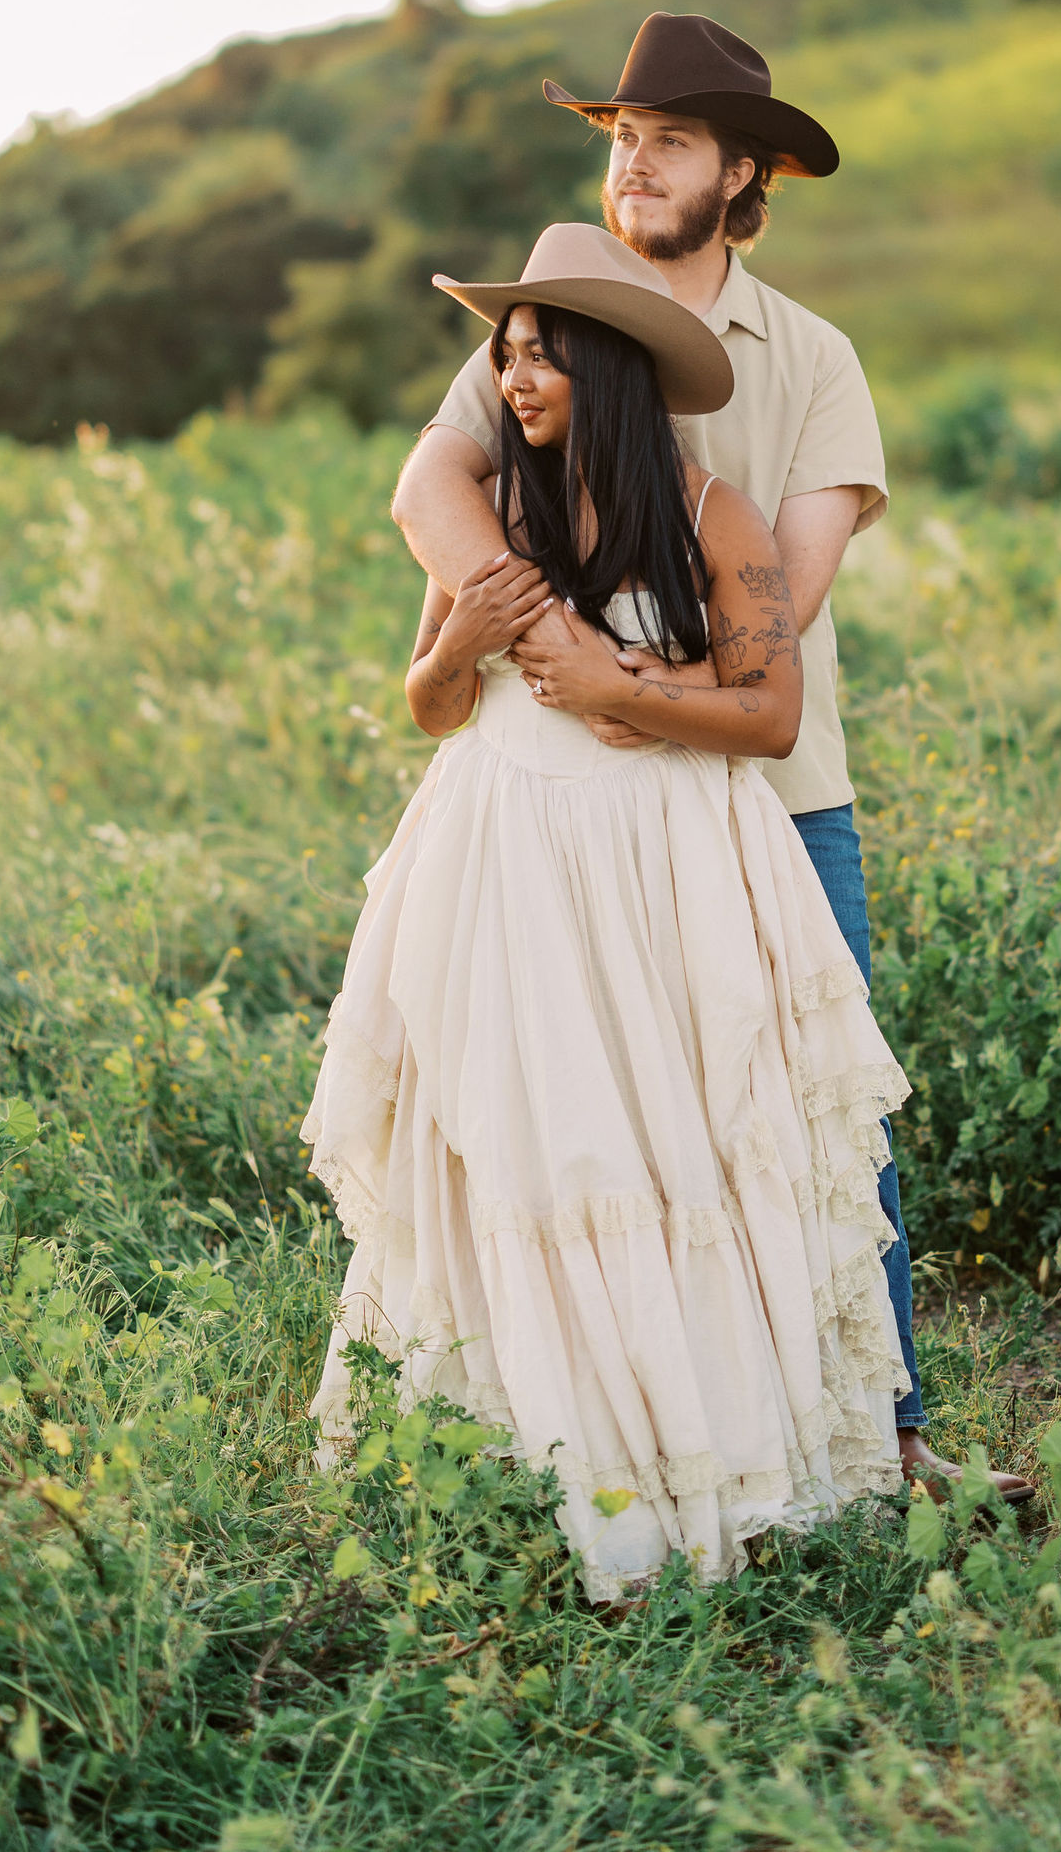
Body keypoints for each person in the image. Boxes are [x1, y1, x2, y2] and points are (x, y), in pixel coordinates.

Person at [391, 11, 1031, 1505]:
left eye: (670, 141)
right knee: (608, 1114)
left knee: (814, 1101)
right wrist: (545, 643)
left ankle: (887, 1435)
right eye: (623, 137)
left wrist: (623, 680)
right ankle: (637, 1435)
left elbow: (785, 600)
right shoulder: (548, 319)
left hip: (771, 792)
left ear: (742, 172)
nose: (635, 163)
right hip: (566, 810)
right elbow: (433, 490)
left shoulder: (812, 358)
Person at [302, 223, 915, 1601]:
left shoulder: (712, 519)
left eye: (543, 357)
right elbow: (428, 704)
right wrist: (462, 641)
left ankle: (710, 1452)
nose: (513, 381)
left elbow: (771, 712)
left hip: (661, 862)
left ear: (614, 370)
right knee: (530, 1137)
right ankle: (537, 1451)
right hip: (505, 857)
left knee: (672, 1135)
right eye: (506, 355)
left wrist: (621, 687)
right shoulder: (495, 517)